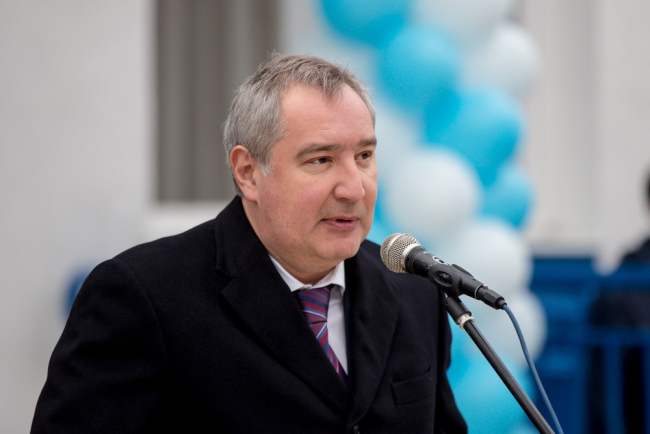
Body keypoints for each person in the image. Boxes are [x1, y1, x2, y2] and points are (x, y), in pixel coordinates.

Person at [31, 54, 467, 433]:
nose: (354, 188)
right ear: (248, 172)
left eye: (364, 156)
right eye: (321, 159)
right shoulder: (143, 296)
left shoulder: (414, 290)